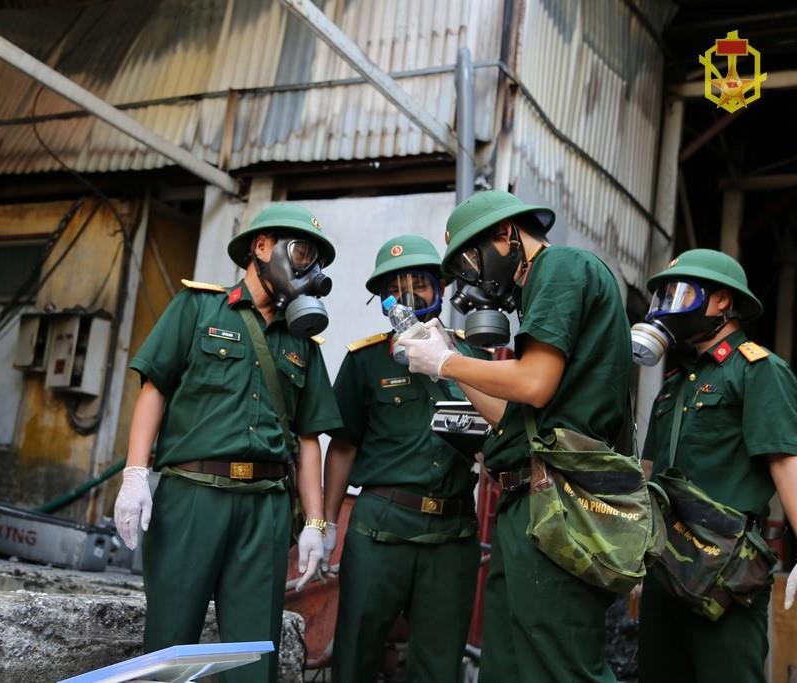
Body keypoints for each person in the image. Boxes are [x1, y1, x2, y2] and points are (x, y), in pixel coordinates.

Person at [402, 190, 633, 682]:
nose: (470, 277)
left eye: (470, 258)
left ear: (507, 236)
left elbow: (533, 382)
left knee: (561, 664)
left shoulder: (560, 267)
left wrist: (447, 360)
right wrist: (450, 361)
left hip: (558, 502)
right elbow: (512, 411)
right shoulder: (543, 290)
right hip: (529, 503)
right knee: (507, 667)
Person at [113, 203, 343, 682]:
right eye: (301, 253)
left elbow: (307, 440)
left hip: (264, 509)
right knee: (168, 650)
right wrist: (135, 474)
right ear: (262, 247)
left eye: (316, 260)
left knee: (253, 656)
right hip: (193, 497)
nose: (309, 269)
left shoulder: (302, 343)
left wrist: (315, 523)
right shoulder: (198, 308)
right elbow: (153, 389)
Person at [323, 235, 484, 681]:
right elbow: (343, 444)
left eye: (420, 285)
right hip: (381, 530)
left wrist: (446, 361)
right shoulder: (366, 360)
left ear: (442, 288)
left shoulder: (473, 355)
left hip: (452, 535)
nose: (409, 297)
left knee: (438, 666)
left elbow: (499, 435)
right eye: (396, 288)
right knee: (355, 656)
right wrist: (326, 523)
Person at [632, 248, 797, 683]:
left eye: (681, 292)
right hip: (665, 563)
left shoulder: (756, 371)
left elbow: (784, 461)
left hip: (727, 569)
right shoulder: (674, 384)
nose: (670, 304)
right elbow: (648, 472)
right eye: (664, 294)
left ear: (722, 300)